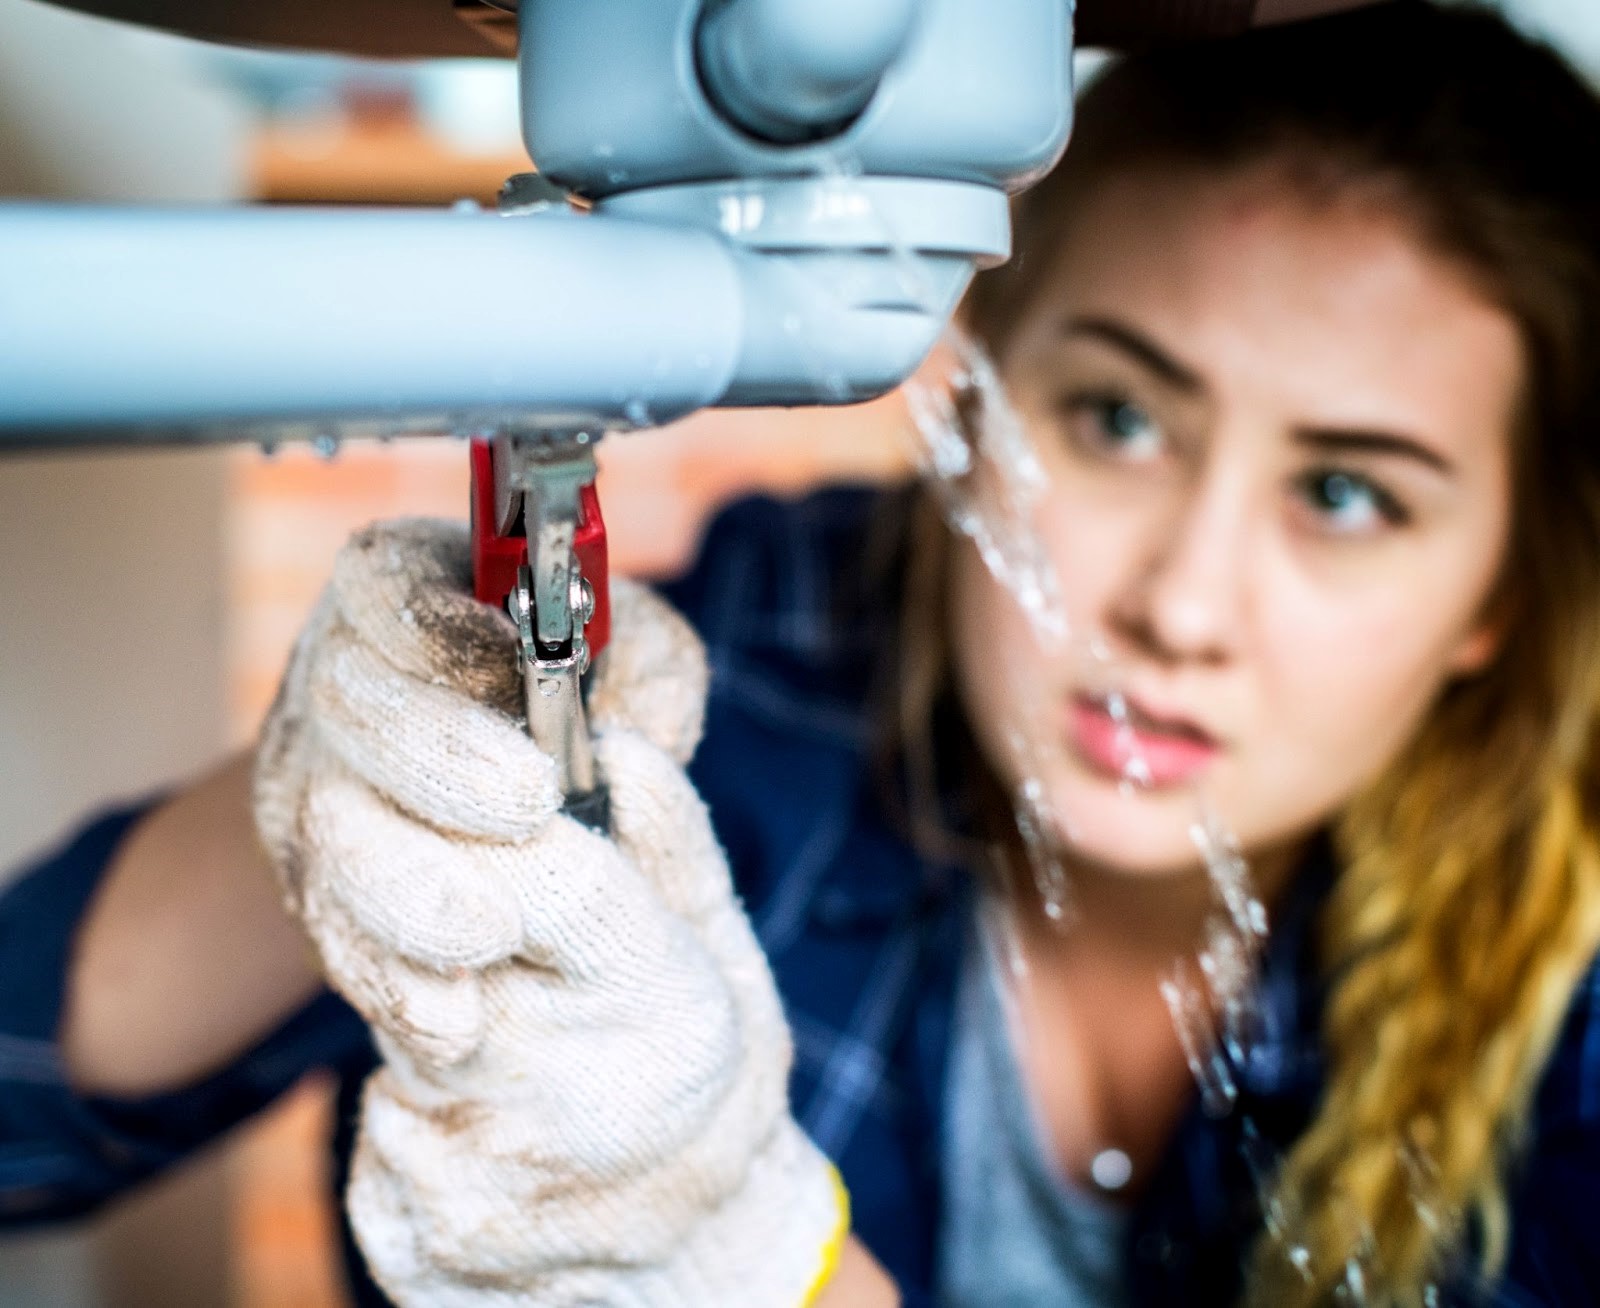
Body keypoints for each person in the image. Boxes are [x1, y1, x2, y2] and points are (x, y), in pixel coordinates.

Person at [5, 2, 1600, 1304]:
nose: (1181, 605)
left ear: (1500, 596)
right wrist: (310, 801)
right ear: (981, 391)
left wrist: (767, 1271)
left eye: (1345, 495)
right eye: (1117, 418)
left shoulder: (1573, 992)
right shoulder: (764, 659)